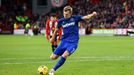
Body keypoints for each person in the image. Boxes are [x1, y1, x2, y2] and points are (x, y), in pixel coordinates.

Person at [49, 6, 97, 75]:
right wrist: (52, 39)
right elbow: (56, 30)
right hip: (63, 42)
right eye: (64, 14)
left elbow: (86, 17)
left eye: (67, 14)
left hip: (73, 43)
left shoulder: (75, 18)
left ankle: (53, 70)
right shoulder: (60, 21)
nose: (65, 15)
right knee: (53, 57)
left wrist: (92, 15)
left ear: (70, 13)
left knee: (65, 55)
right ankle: (61, 57)